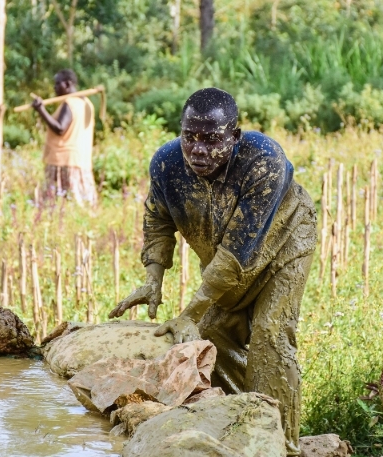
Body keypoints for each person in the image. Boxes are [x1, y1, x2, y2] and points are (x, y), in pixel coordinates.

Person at [109, 87, 317, 455]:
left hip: (283, 245)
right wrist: (153, 279)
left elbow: (236, 256)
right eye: (190, 137)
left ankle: (282, 445)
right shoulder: (166, 164)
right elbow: (158, 218)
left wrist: (189, 311)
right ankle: (246, 430)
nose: (198, 150)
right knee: (212, 340)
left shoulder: (262, 160)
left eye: (211, 140)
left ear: (234, 137)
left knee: (271, 336)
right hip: (223, 257)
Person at [32, 69, 97, 206]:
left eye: (57, 84)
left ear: (67, 84)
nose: (54, 88)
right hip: (81, 160)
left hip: (63, 162)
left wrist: (41, 110)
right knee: (80, 204)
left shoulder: (70, 103)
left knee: (57, 204)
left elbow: (60, 128)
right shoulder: (87, 104)